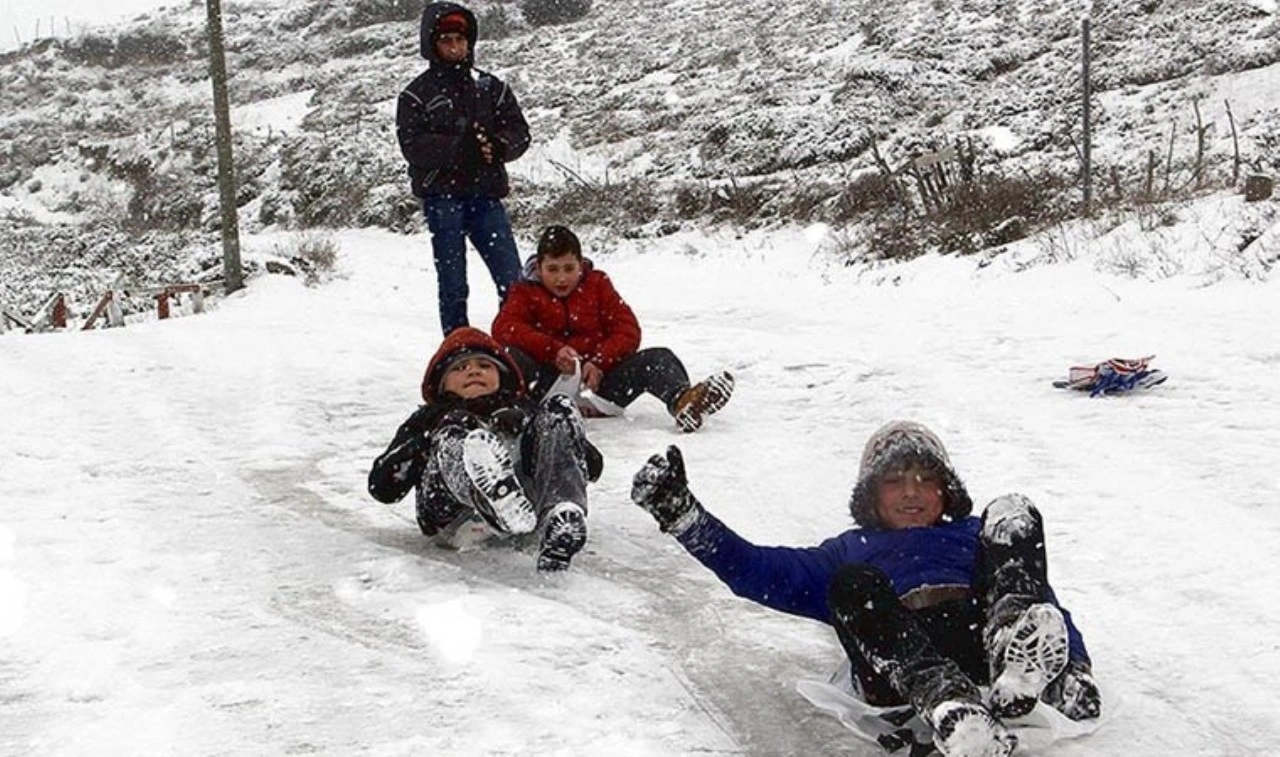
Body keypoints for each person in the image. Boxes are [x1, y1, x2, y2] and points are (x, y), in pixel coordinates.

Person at [629, 421, 1102, 757]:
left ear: (947, 490)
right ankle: (946, 701)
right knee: (852, 584)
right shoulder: (849, 548)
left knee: (1013, 512)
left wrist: (1074, 667)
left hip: (978, 635)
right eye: (894, 482)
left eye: (925, 480)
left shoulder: (974, 533)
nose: (911, 492)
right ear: (870, 496)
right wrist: (685, 518)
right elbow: (756, 569)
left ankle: (1019, 673)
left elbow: (1044, 604)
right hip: (900, 656)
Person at [367, 327, 602, 571]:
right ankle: (489, 495)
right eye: (459, 368)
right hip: (454, 519)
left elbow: (593, 466)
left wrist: (529, 427)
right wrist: (429, 438)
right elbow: (383, 488)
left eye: (484, 365)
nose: (473, 371)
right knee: (453, 436)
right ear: (441, 382)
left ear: (502, 376)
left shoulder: (522, 409)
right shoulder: (428, 418)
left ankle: (560, 514)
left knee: (559, 406)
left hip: (526, 516)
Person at [492, 224, 734, 433]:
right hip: (546, 387)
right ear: (539, 267)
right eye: (553, 270)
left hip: (602, 389)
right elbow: (504, 329)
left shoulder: (597, 284)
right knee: (509, 356)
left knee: (659, 357)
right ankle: (513, 413)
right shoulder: (524, 291)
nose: (561, 278)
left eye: (568, 269)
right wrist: (553, 351)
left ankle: (683, 402)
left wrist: (599, 362)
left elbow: (628, 329)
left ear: (580, 265)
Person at [395, 2, 531, 335]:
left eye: (460, 39)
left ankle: (515, 348)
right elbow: (411, 146)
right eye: (447, 40)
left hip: (486, 195)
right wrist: (458, 148)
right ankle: (458, 353)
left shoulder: (491, 87)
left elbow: (520, 132)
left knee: (513, 283)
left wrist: (498, 147)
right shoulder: (416, 95)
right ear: (433, 45)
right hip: (443, 199)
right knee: (454, 286)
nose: (455, 47)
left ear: (469, 41)